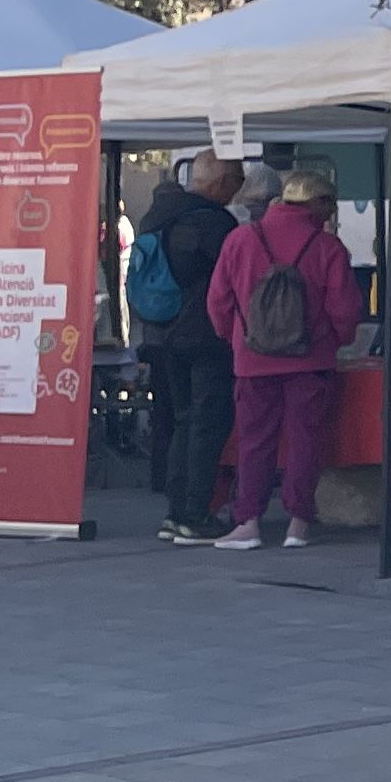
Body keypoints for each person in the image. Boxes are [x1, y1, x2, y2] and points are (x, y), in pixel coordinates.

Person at [206, 165, 359, 551]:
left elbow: (218, 302)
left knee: (254, 441)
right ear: (316, 204)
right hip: (311, 361)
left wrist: (237, 339)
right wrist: (335, 340)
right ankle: (298, 523)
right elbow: (344, 309)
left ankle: (249, 522)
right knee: (306, 441)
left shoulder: (240, 240)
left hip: (252, 361)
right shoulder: (328, 248)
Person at [141, 151, 242, 542]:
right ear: (219, 182)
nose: (236, 192)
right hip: (205, 335)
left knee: (180, 421)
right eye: (235, 182)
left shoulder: (157, 215)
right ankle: (195, 513)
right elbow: (231, 280)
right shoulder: (214, 223)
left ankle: (174, 511)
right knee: (207, 422)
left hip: (160, 332)